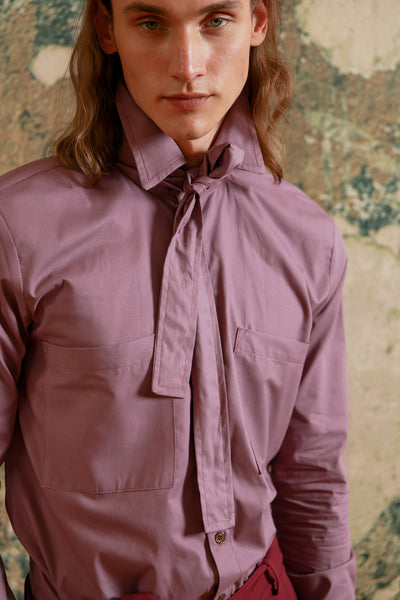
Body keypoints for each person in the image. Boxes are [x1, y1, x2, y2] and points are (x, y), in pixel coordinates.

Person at [0, 0, 356, 598]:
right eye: (151, 23)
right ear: (107, 29)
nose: (188, 65)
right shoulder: (17, 229)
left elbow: (313, 476)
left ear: (258, 21)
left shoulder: (307, 238)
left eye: (216, 21)